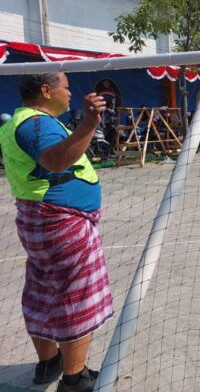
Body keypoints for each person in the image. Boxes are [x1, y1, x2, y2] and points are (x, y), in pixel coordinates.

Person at [0, 73, 113, 391]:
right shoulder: (37, 123)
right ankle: (75, 378)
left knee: (43, 292)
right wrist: (89, 123)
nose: (69, 93)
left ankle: (49, 362)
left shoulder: (17, 121)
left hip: (42, 221)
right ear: (46, 90)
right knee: (75, 297)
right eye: (65, 87)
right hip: (62, 222)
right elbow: (53, 160)